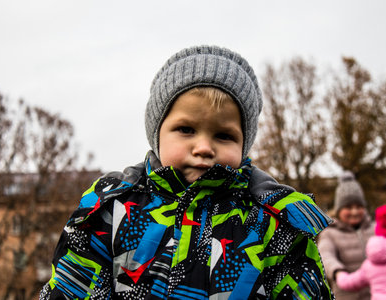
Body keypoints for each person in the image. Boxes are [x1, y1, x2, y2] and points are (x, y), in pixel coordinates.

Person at [39, 45, 333, 299]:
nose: (204, 147)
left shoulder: (275, 224)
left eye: (224, 135)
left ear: (244, 144)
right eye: (186, 130)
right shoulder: (112, 209)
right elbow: (71, 290)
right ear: (157, 134)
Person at [317, 171, 374, 300]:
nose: (354, 211)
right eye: (348, 207)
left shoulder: (375, 229)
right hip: (347, 294)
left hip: (377, 294)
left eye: (359, 206)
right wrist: (338, 272)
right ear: (338, 209)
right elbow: (325, 256)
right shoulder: (330, 233)